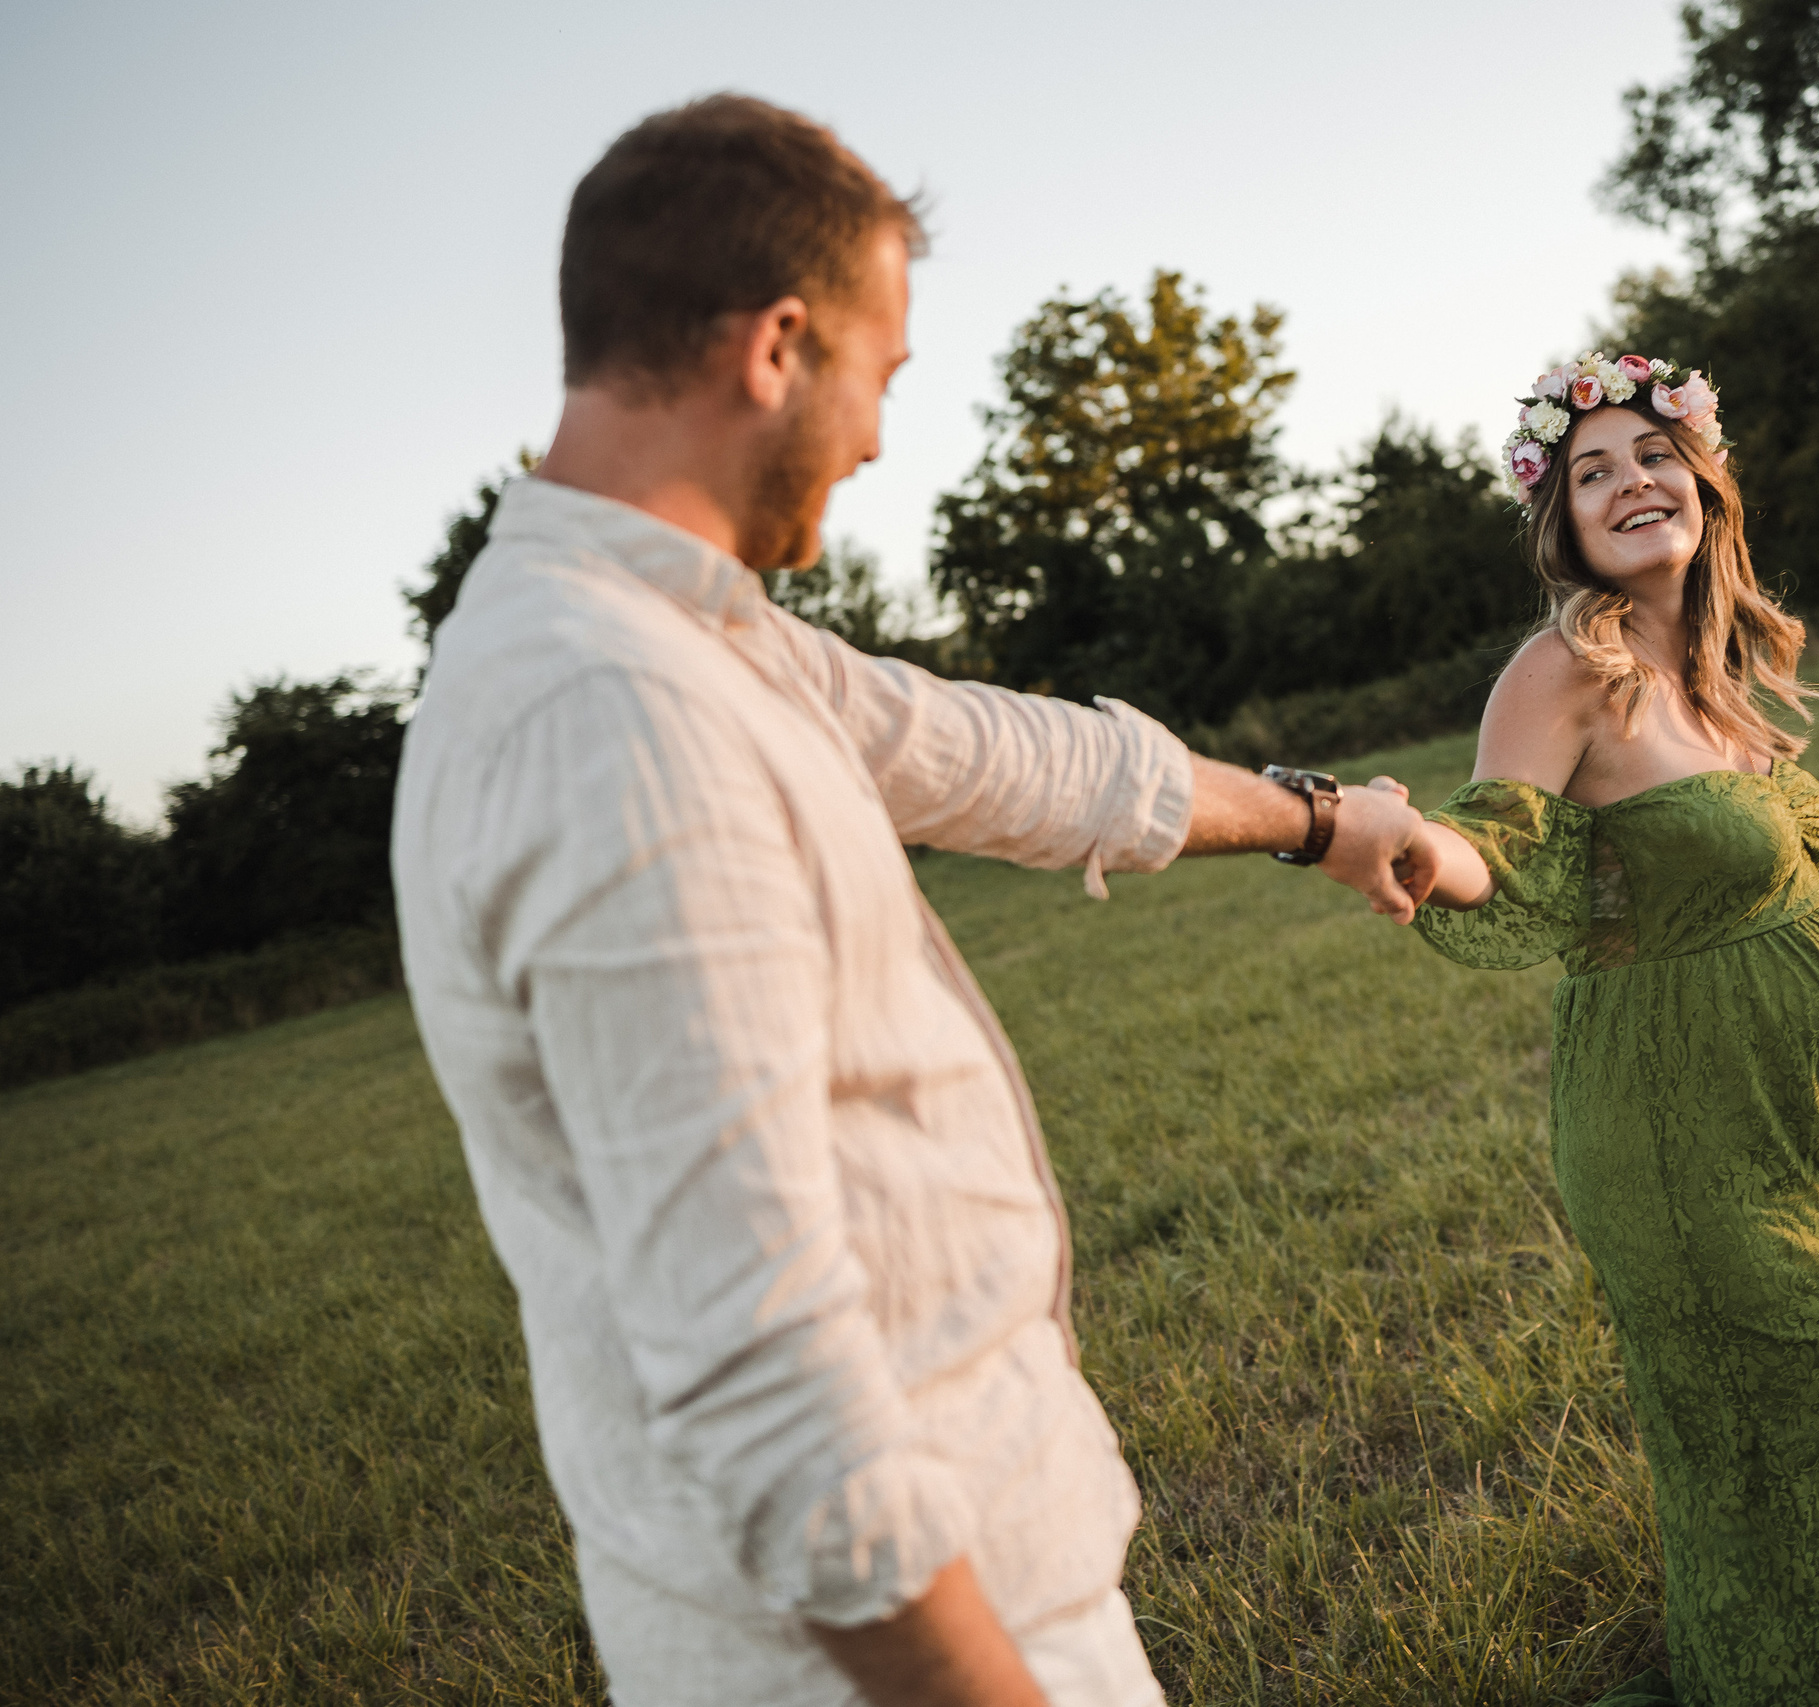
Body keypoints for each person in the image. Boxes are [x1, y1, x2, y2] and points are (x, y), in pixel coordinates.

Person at [390, 96, 1437, 1707]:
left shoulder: (682, 638)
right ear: (777, 347)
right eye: (882, 374)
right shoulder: (612, 717)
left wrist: (1321, 821)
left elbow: (1002, 758)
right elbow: (765, 1379)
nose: (879, 436)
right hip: (885, 1660)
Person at [1390, 353, 1819, 1705]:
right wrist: (1402, 844)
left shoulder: (1713, 669)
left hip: (1808, 1123)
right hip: (1676, 1131)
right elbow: (1494, 846)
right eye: (1592, 472)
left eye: (1652, 454)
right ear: (1563, 524)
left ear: (1703, 479)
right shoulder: (1567, 670)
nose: (1631, 482)